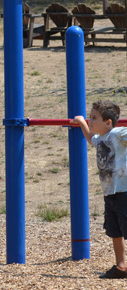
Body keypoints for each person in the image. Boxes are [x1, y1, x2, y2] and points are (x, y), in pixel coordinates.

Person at [72, 100, 127, 279]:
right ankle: (121, 267)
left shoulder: (118, 133)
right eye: (90, 117)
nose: (91, 120)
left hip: (124, 191)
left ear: (108, 122)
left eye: (94, 118)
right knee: (115, 232)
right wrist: (81, 122)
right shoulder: (100, 138)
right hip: (110, 193)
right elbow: (90, 138)